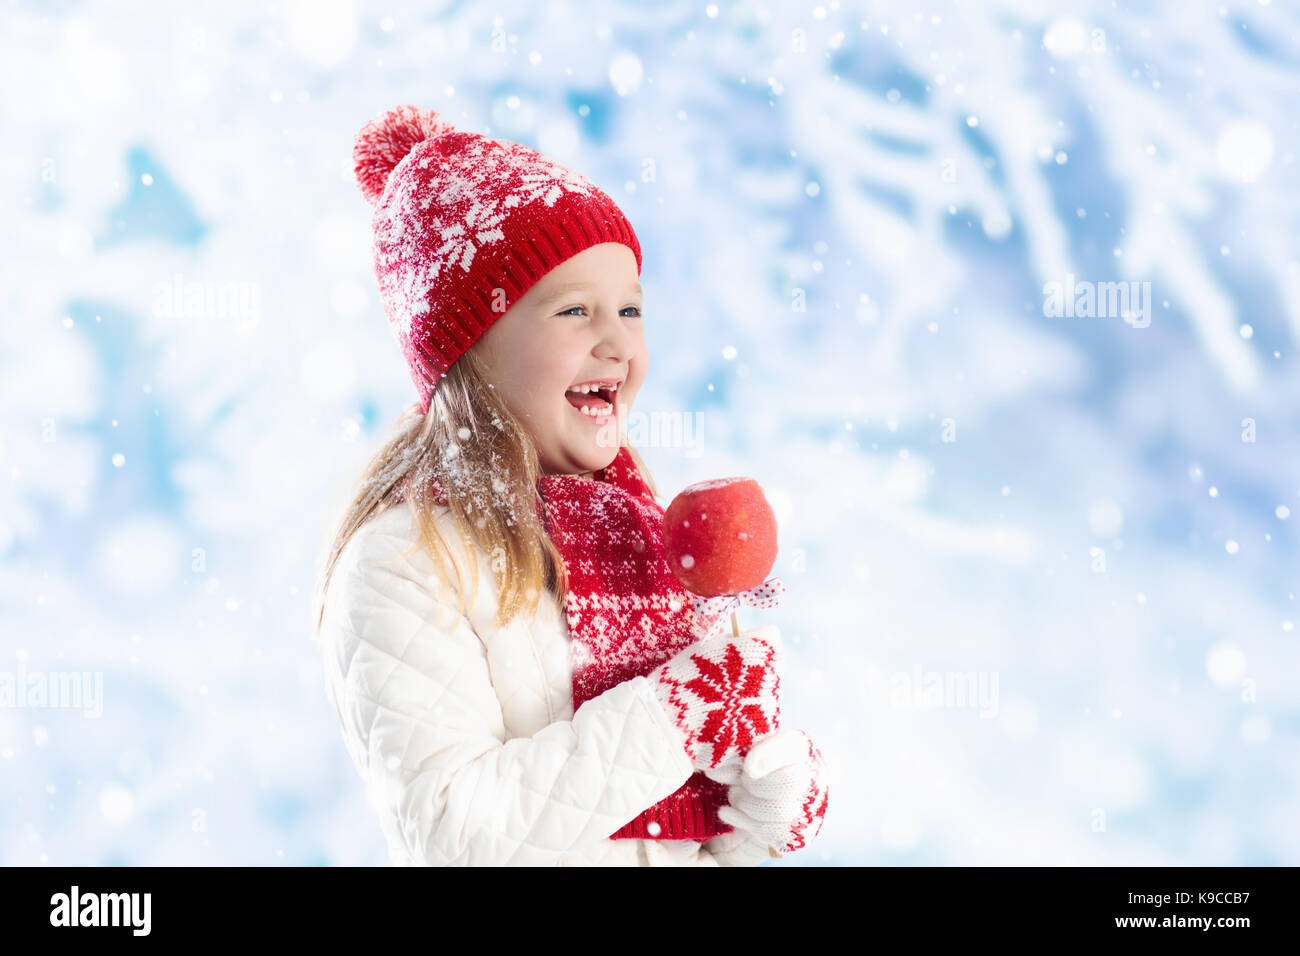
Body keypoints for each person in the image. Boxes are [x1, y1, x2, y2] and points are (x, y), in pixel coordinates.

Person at [312, 104, 829, 866]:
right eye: (576, 311)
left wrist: (759, 811)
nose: (619, 342)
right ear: (470, 347)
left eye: (630, 308)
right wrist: (677, 715)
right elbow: (456, 835)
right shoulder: (406, 561)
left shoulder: (637, 537)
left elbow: (674, 840)